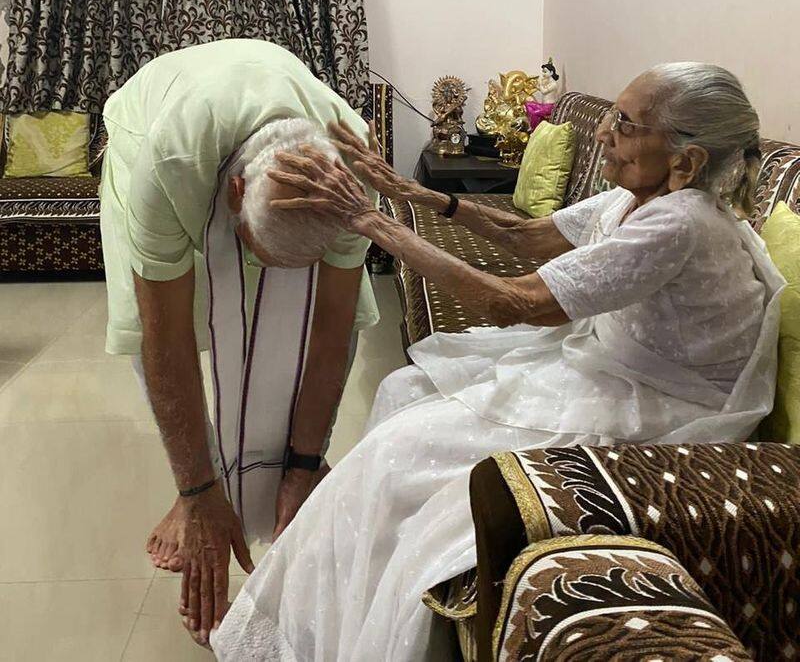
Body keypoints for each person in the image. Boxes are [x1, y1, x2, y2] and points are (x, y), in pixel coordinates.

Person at [212, 62, 784, 662]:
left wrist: (369, 219)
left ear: (686, 162)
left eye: (624, 124)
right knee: (404, 391)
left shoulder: (681, 222)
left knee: (395, 457)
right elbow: (533, 237)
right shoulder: (641, 197)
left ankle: (328, 634)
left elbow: (513, 301)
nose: (602, 134)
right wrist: (408, 192)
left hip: (662, 406)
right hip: (614, 366)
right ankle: (317, 623)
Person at [99, 38, 378, 647]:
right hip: (151, 126)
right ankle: (192, 492)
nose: (269, 280)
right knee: (165, 319)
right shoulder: (167, 166)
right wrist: (199, 492)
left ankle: (284, 468)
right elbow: (166, 340)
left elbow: (330, 327)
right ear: (233, 200)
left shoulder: (352, 170)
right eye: (260, 255)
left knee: (346, 310)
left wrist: (303, 464)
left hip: (252, 146)